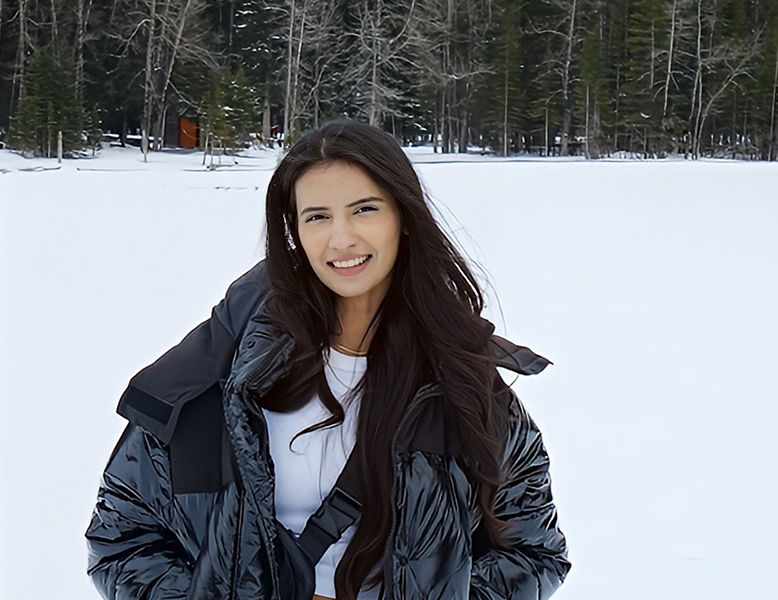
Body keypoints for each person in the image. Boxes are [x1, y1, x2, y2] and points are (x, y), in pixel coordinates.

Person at [85, 121, 570, 600]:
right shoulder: (219, 377)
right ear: (293, 230)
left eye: (364, 209)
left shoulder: (464, 385)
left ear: (403, 216)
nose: (341, 239)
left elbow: (533, 554)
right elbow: (122, 539)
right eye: (317, 216)